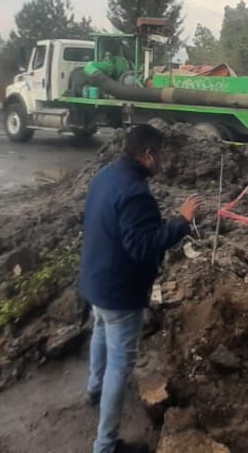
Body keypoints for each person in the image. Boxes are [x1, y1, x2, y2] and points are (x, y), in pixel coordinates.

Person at [79, 124, 201, 453]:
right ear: (148, 155)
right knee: (120, 366)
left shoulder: (106, 175)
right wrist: (181, 222)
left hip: (96, 280)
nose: (163, 161)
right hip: (119, 291)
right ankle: (105, 446)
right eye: (160, 154)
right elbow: (143, 246)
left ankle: (93, 389)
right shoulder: (136, 192)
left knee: (100, 331)